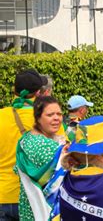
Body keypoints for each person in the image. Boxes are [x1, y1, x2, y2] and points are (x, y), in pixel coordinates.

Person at [0, 69, 47, 220]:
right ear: (39, 93)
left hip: (3, 195)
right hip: (33, 198)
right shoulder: (49, 119)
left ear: (14, 90)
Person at [15, 96, 64, 220]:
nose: (56, 118)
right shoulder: (43, 145)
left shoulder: (27, 138)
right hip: (43, 211)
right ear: (38, 118)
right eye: (50, 115)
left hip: (30, 207)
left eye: (59, 114)